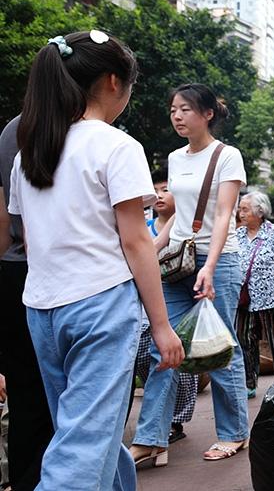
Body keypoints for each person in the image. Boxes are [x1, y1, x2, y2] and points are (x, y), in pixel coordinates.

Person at [7, 30, 183, 490]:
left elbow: (27, 237)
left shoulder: (30, 150)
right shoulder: (116, 146)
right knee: (82, 448)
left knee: (88, 433)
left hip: (43, 308)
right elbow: (137, 242)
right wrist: (161, 325)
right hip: (99, 305)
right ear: (112, 82)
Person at [131, 83, 249, 464]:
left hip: (217, 260)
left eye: (185, 109)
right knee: (163, 348)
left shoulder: (227, 155)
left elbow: (222, 215)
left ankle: (234, 434)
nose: (177, 116)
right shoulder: (174, 157)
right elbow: (179, 215)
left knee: (218, 349)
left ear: (208, 114)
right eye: (173, 110)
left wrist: (210, 267)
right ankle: (152, 438)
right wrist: (150, 250)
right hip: (176, 261)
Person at [0, 114, 53, 491]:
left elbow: (3, 220)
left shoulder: (10, 132)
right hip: (66, 276)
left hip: (14, 270)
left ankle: (25, 482)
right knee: (72, 399)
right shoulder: (76, 127)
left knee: (24, 399)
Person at [130, 169, 198, 443]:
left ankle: (174, 421)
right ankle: (158, 422)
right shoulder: (141, 228)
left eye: (166, 189)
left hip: (176, 299)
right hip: (143, 303)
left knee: (177, 359)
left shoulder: (185, 227)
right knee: (146, 358)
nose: (159, 195)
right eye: (155, 189)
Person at [235, 191, 274, 397]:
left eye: (245, 209)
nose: (240, 213)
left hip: (271, 296)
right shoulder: (237, 235)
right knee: (244, 339)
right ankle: (249, 383)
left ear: (259, 212)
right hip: (244, 297)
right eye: (240, 209)